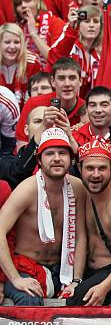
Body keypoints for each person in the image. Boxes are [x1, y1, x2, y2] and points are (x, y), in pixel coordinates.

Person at [0, 128, 87, 305]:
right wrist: (16, 279)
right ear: (39, 160)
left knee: (85, 296)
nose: (56, 158)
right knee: (29, 298)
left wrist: (77, 280)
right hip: (26, 268)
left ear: (71, 160)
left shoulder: (78, 188)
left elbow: (80, 236)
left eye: (62, 153)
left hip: (63, 270)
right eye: (49, 153)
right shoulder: (27, 189)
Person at [66, 139, 111, 306]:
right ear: (79, 169)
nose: (96, 174)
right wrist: (76, 280)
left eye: (102, 168)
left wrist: (104, 287)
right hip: (90, 272)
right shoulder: (85, 193)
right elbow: (82, 238)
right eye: (90, 168)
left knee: (79, 301)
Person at [15, 58, 85, 147]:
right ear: (52, 82)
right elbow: (22, 146)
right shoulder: (34, 104)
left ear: (80, 81)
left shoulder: (87, 109)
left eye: (72, 78)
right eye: (61, 78)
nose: (67, 84)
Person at [47, 6, 102, 98]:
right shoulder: (69, 43)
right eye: (87, 21)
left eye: (96, 21)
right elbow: (53, 58)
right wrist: (72, 29)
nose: (91, 25)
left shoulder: (100, 55)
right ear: (78, 24)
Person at [0, 22, 41, 107]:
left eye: (16, 42)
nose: (12, 47)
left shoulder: (32, 64)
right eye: (7, 42)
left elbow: (37, 98)